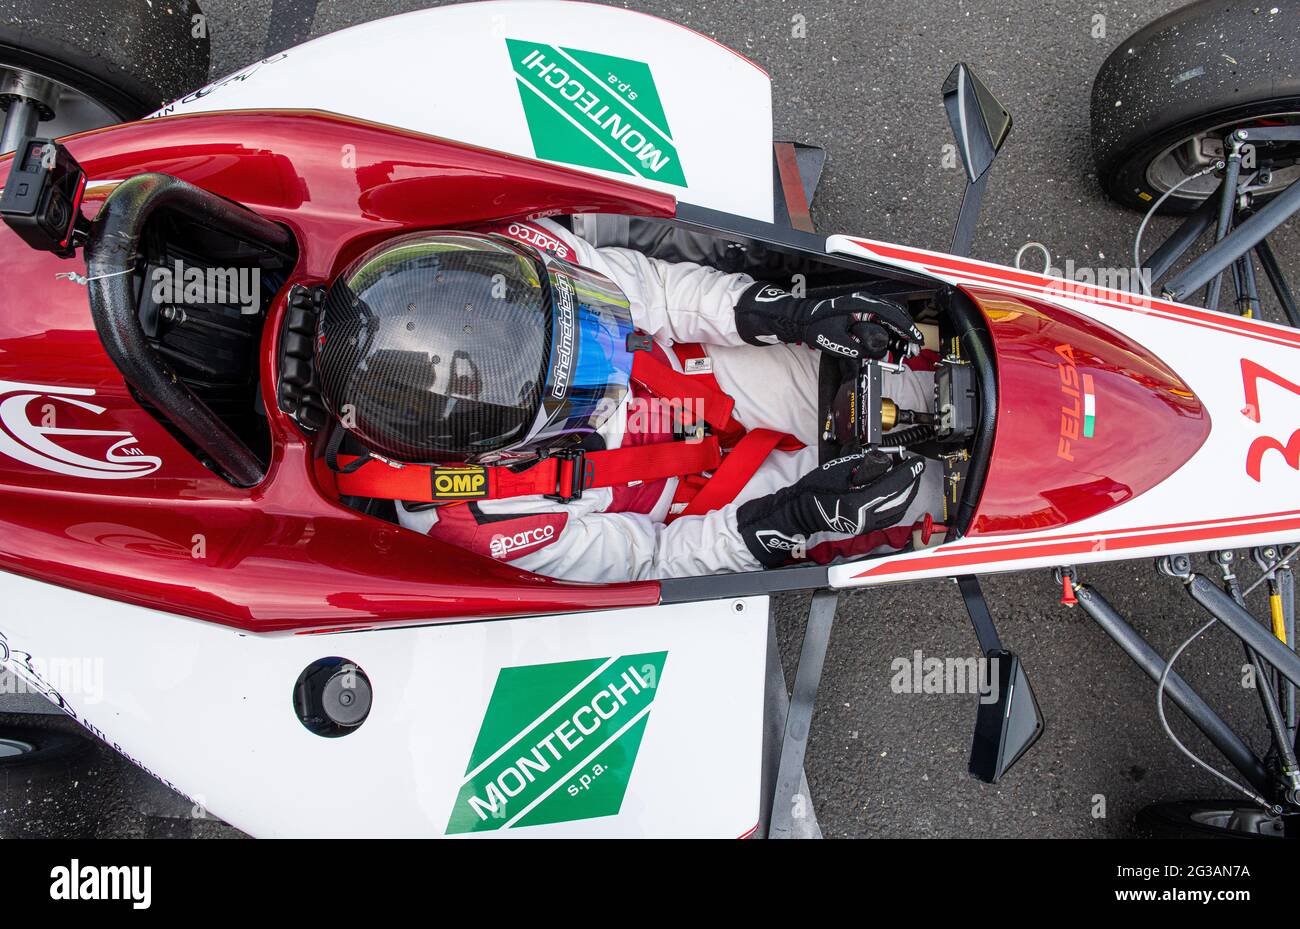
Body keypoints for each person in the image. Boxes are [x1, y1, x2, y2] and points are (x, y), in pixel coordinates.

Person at [314, 219, 936, 582]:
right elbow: (655, 558)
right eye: (575, 387)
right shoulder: (476, 526)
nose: (597, 381)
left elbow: (658, 296)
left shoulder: (521, 252)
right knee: (914, 493)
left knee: (904, 371)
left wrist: (791, 313)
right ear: (478, 453)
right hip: (694, 504)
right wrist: (790, 521)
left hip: (695, 376)